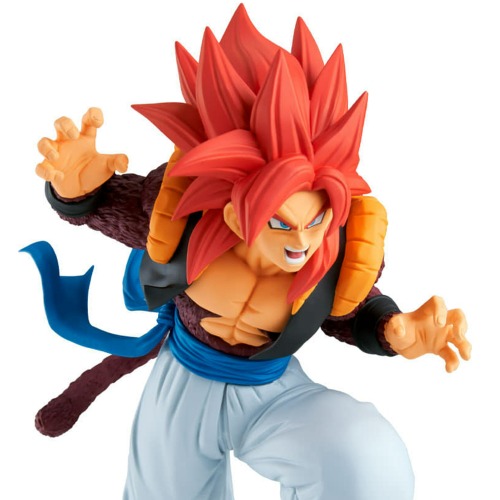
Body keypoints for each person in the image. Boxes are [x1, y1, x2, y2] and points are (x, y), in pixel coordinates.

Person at [29, 4, 471, 499]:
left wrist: (395, 330)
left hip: (272, 389)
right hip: (184, 381)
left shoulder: (332, 252)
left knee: (364, 458)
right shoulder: (184, 220)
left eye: (316, 221)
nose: (301, 242)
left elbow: (349, 310)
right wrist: (77, 189)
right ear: (237, 214)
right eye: (280, 223)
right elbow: (103, 205)